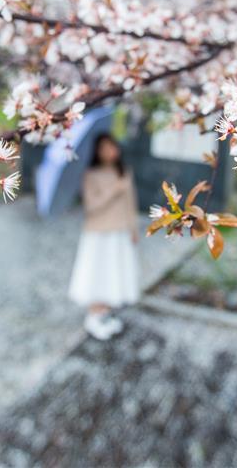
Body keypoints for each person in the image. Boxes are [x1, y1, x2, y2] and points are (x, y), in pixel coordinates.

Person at [68, 133, 141, 340]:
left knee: (113, 273)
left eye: (112, 146)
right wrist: (114, 189)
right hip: (98, 233)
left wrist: (133, 229)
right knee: (97, 274)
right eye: (104, 148)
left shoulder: (123, 172)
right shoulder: (91, 174)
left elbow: (130, 203)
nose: (110, 151)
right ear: (97, 152)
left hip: (120, 232)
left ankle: (105, 314)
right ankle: (93, 316)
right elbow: (91, 206)